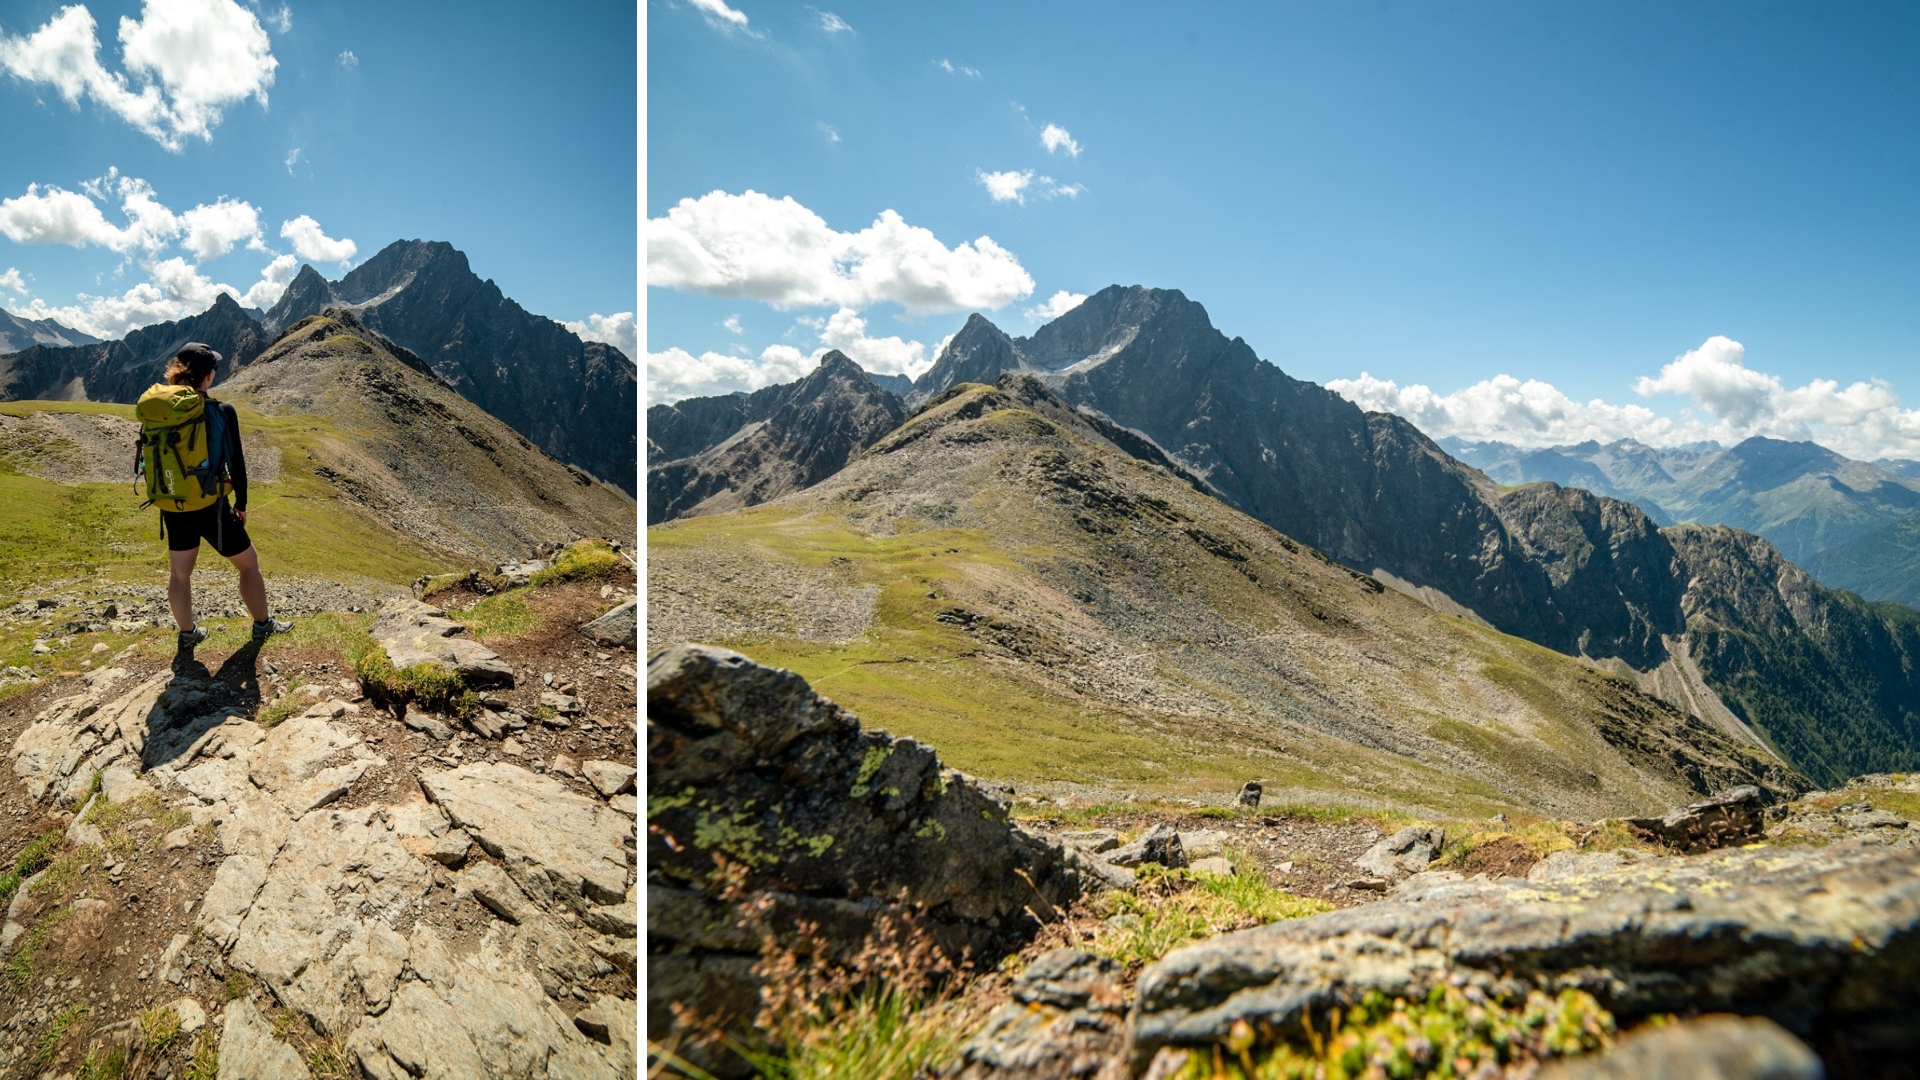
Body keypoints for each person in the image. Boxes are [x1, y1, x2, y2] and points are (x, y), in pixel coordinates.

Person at [158, 343, 292, 651]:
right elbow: (236, 462)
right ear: (207, 377)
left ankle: (188, 634)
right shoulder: (220, 411)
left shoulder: (162, 409)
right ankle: (263, 625)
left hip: (173, 503)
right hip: (209, 506)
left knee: (179, 573)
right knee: (249, 564)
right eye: (214, 369)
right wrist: (241, 504)